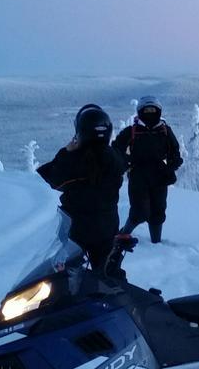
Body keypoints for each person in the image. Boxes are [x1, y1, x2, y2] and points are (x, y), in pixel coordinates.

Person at [37, 104, 127, 275]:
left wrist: (66, 151)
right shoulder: (114, 157)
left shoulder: (76, 161)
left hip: (76, 230)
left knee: (66, 279)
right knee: (106, 276)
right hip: (106, 227)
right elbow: (123, 162)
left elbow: (53, 178)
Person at [113, 96, 183, 243]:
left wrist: (171, 165)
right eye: (147, 110)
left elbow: (175, 151)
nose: (150, 113)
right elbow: (116, 150)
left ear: (158, 112)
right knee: (140, 211)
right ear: (140, 112)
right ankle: (123, 234)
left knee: (158, 211)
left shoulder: (164, 130)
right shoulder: (131, 131)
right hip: (138, 175)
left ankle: (156, 243)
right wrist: (126, 162)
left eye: (153, 110)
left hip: (160, 175)